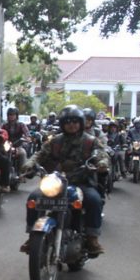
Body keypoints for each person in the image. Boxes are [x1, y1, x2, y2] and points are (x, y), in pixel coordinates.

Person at [20, 105, 109, 255]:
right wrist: (29, 163)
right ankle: (32, 236)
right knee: (34, 198)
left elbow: (102, 155)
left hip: (82, 182)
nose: (71, 125)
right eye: (67, 122)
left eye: (75, 121)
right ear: (62, 124)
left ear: (81, 122)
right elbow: (40, 154)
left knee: (94, 200)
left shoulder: (90, 141)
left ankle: (92, 238)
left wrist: (102, 164)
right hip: (56, 182)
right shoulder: (55, 141)